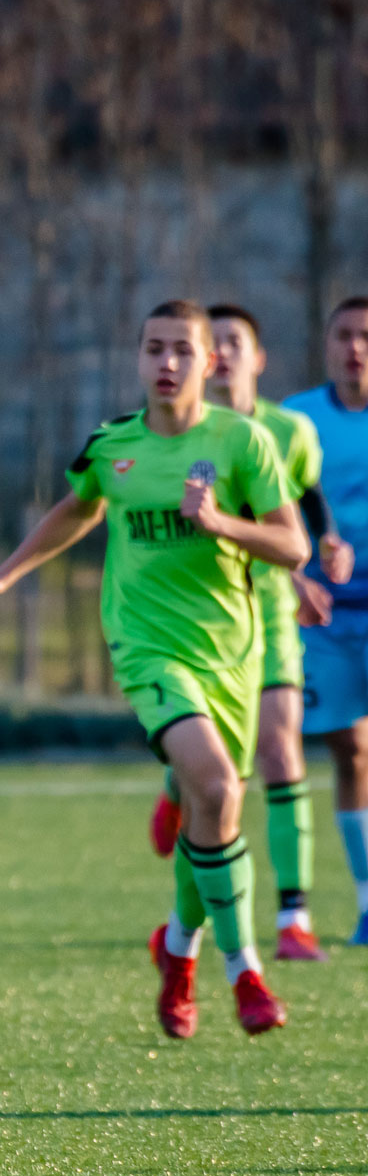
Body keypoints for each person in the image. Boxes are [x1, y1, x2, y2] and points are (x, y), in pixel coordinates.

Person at [0, 301, 306, 1038]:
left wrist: (220, 523)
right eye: (153, 348)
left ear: (210, 363)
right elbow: (77, 508)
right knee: (214, 787)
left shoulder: (241, 442)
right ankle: (245, 971)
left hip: (231, 654)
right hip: (146, 647)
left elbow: (292, 546)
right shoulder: (113, 444)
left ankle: (176, 948)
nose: (166, 363)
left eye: (182, 349)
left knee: (215, 810)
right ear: (139, 358)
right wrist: (5, 574)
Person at [144, 304, 351, 961]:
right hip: (207, 617)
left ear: (257, 358)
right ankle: (178, 785)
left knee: (282, 753)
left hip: (272, 612)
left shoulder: (288, 429)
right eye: (219, 342)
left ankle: (294, 918)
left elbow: (304, 498)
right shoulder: (193, 439)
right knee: (220, 771)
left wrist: (325, 545)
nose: (227, 353)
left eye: (238, 341)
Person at [284, 296, 368, 946]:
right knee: (353, 749)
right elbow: (268, 505)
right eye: (344, 334)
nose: (355, 347)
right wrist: (297, 571)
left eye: (365, 335)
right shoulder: (296, 421)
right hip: (327, 615)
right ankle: (367, 903)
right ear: (327, 342)